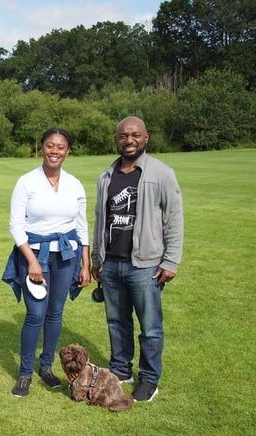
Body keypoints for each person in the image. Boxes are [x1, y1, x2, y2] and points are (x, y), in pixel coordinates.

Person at [91, 116, 183, 402]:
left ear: (146, 138)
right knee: (116, 322)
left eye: (135, 135)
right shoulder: (106, 177)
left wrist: (171, 260)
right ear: (117, 139)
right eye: (123, 136)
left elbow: (174, 217)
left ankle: (149, 379)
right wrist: (96, 258)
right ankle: (121, 369)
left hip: (145, 265)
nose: (128, 140)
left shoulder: (161, 173)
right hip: (111, 263)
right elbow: (99, 219)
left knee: (150, 327)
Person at [2, 128, 91, 397]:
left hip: (66, 256)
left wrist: (85, 263)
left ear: (68, 151)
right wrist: (31, 261)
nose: (55, 151)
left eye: (60, 147)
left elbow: (82, 226)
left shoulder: (74, 184)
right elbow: (16, 226)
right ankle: (25, 373)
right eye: (50, 146)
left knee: (55, 314)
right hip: (33, 255)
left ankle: (47, 368)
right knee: (36, 314)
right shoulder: (26, 182)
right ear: (42, 148)